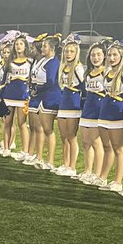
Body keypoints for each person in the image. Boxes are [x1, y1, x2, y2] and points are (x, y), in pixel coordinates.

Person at [97, 41, 123, 192]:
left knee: (118, 149)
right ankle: (103, 177)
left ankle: (118, 182)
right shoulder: (106, 72)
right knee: (106, 147)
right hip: (104, 112)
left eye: (115, 55)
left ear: (121, 56)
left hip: (117, 113)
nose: (111, 58)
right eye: (109, 55)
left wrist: (121, 104)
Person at [27, 34, 61, 170]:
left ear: (52, 48)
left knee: (48, 129)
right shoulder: (42, 60)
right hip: (39, 97)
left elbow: (51, 81)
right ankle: (39, 156)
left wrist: (37, 88)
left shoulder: (53, 62)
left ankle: (50, 161)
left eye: (45, 46)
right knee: (37, 127)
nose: (42, 47)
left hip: (49, 97)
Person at [78, 42, 107, 185]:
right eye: (93, 55)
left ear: (104, 56)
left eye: (99, 55)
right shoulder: (87, 73)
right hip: (88, 109)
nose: (95, 57)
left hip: (99, 110)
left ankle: (98, 173)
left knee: (97, 142)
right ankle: (88, 171)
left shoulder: (106, 72)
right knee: (85, 142)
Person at [55, 35, 84, 177]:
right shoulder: (63, 67)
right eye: (66, 51)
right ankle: (65, 163)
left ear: (76, 52)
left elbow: (83, 87)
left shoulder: (78, 68)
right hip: (63, 104)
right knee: (63, 136)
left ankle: (72, 166)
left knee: (72, 137)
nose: (68, 54)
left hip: (73, 105)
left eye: (71, 51)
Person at [1, 35, 32, 161]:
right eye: (17, 44)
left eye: (21, 44)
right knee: (7, 122)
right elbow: (4, 79)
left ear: (25, 46)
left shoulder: (30, 62)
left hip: (23, 96)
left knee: (22, 123)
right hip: (9, 95)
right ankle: (6, 148)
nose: (18, 46)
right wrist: (0, 94)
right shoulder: (10, 61)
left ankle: (25, 150)